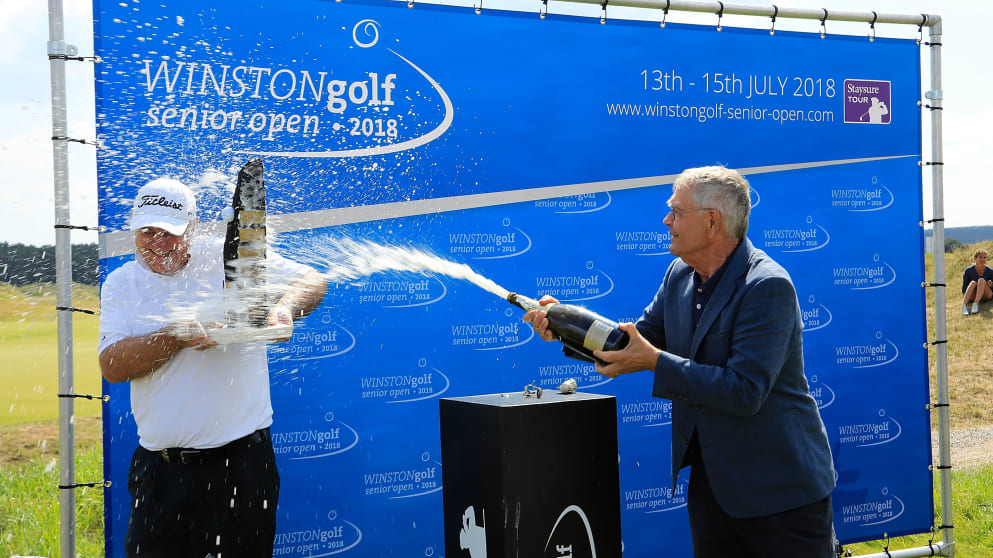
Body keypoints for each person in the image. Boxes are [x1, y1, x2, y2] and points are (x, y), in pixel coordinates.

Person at [525, 166, 836, 557]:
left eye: (676, 210)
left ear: (711, 221)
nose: (666, 220)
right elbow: (631, 343)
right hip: (714, 490)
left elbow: (745, 391)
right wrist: (567, 326)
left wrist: (655, 361)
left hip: (780, 496)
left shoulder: (766, 286)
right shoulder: (678, 275)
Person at [98, 177, 327, 558]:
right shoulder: (121, 284)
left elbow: (312, 281)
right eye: (147, 231)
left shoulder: (228, 256)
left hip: (240, 469)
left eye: (169, 232)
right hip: (159, 473)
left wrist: (285, 308)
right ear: (134, 229)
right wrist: (175, 336)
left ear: (192, 226)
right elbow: (112, 366)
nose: (157, 243)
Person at [961, 248, 993, 316]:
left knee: (981, 280)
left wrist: (991, 284)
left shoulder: (990, 271)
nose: (983, 259)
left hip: (986, 295)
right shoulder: (968, 270)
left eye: (984, 257)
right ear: (975, 258)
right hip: (973, 295)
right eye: (980, 257)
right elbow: (964, 289)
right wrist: (974, 288)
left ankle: (975, 304)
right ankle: (964, 306)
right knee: (973, 282)